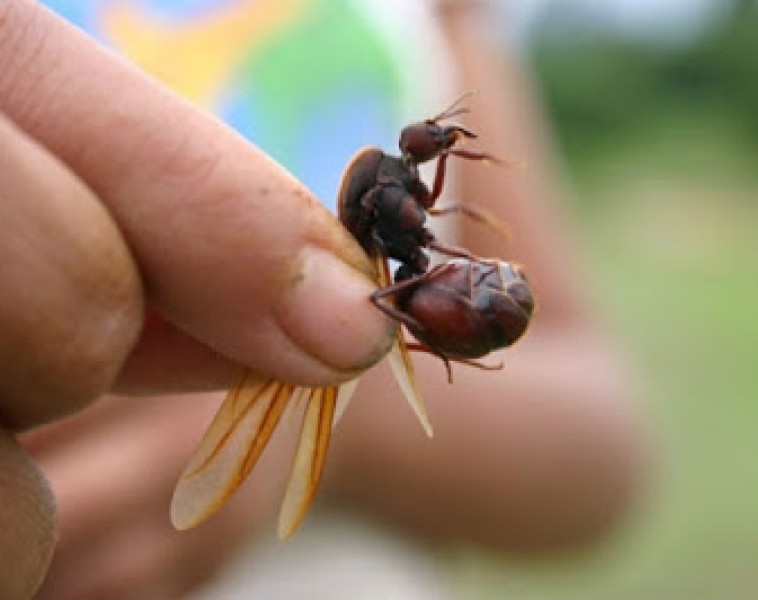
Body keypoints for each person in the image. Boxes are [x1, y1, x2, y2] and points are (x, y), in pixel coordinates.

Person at [0, 1, 642, 598]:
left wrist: (339, 414)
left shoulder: (437, 18)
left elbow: (600, 444)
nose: (441, 145)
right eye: (434, 142)